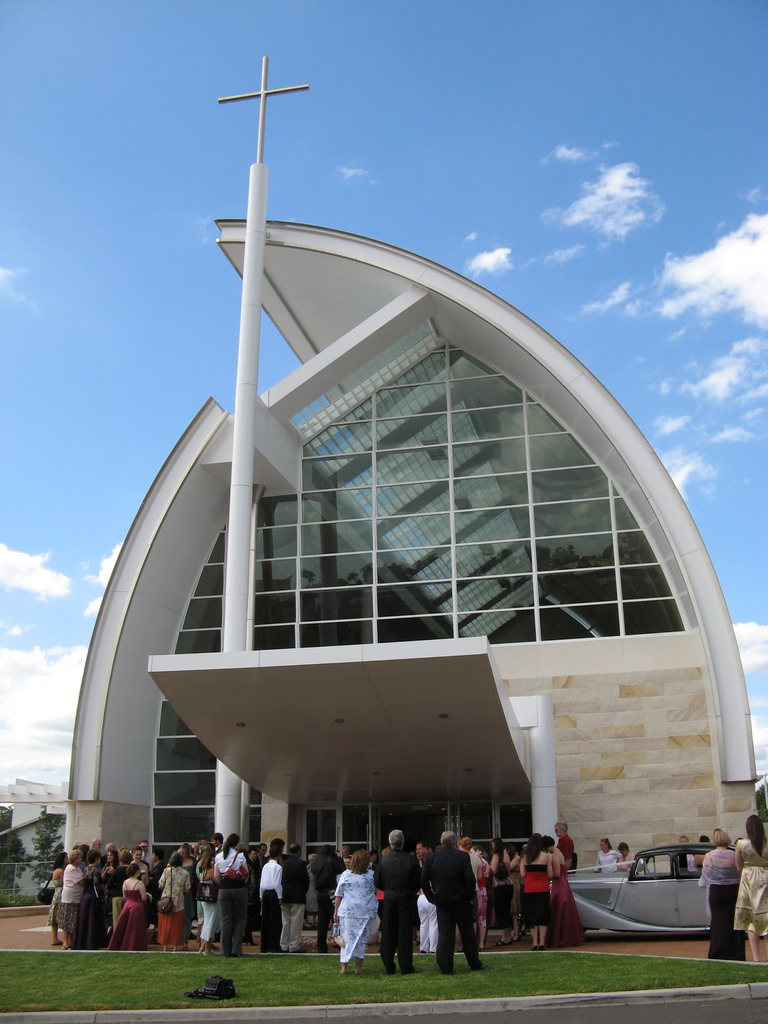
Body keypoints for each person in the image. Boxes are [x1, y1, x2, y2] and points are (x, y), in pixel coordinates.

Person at [420, 830, 486, 975]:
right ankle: (474, 962)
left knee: (445, 933)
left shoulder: (431, 858)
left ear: (442, 843)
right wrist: (470, 897)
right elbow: (470, 879)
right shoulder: (462, 856)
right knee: (467, 932)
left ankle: (445, 966)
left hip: (442, 900)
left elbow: (424, 880)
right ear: (454, 843)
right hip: (461, 900)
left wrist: (432, 897)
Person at [374, 829, 421, 975]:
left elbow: (377, 881)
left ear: (390, 843)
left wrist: (388, 889)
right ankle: (405, 965)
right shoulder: (411, 860)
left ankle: (389, 964)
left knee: (388, 931)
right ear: (403, 842)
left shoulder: (383, 861)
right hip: (407, 897)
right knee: (405, 932)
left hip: (389, 896)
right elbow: (417, 880)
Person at [334, 848, 379, 975]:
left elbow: (339, 894)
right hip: (366, 911)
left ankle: (344, 967)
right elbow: (375, 891)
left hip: (348, 912)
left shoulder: (346, 875)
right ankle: (358, 968)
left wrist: (336, 910)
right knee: (361, 939)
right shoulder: (372, 875)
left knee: (346, 939)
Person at [701, 828, 744, 961]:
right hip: (733, 890)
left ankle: (718, 951)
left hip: (717, 891)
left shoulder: (709, 856)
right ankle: (736, 951)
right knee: (734, 920)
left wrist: (717, 879)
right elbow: (739, 871)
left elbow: (706, 874)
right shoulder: (733, 854)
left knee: (718, 922)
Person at [734, 814, 768, 963]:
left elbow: (739, 865)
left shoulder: (741, 844)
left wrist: (745, 875)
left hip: (748, 880)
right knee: (766, 919)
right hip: (765, 878)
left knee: (751, 921)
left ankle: (756, 958)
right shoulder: (767, 843)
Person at [543, 835, 584, 948]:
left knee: (558, 909)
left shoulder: (555, 856)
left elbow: (556, 874)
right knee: (564, 910)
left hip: (559, 885)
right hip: (562, 883)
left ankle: (560, 938)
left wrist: (547, 875)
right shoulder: (559, 853)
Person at [214, 832, 249, 957]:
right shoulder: (239, 856)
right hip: (238, 888)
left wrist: (222, 884)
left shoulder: (219, 857)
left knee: (225, 920)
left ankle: (224, 950)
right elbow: (246, 873)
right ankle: (236, 949)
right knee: (240, 918)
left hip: (224, 888)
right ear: (237, 843)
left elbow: (216, 875)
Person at [520, 833, 553, 950]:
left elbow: (522, 875)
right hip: (543, 888)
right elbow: (550, 874)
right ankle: (542, 942)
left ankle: (534, 942)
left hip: (529, 888)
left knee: (532, 915)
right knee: (543, 914)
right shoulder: (546, 857)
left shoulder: (525, 857)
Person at [108, 862, 151, 951]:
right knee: (136, 927)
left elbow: (124, 897)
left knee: (126, 926)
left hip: (127, 905)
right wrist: (148, 896)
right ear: (136, 872)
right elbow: (143, 897)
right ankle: (135, 944)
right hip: (137, 906)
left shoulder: (125, 882)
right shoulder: (139, 883)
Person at [310, 844, 345, 952]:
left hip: (320, 892)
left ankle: (321, 945)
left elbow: (313, 870)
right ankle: (339, 943)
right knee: (335, 918)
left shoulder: (315, 862)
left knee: (322, 920)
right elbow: (341, 869)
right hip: (330, 892)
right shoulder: (331, 861)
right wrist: (338, 858)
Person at [74, 848, 108, 949]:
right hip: (93, 897)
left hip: (85, 896)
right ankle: (93, 942)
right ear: (97, 859)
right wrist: (103, 876)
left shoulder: (85, 869)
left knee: (85, 919)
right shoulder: (96, 870)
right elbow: (97, 883)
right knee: (93, 920)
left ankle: (83, 942)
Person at [157, 850, 191, 952]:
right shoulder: (185, 873)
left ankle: (165, 947)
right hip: (178, 902)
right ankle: (175, 947)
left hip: (166, 902)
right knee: (177, 926)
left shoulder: (166, 871)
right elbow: (187, 889)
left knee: (165, 925)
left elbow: (160, 885)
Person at [280, 842, 309, 953]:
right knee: (296, 921)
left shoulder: (284, 864)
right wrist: (304, 891)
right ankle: (293, 945)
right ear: (299, 851)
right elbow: (305, 880)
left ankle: (284, 944)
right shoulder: (301, 864)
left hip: (286, 894)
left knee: (286, 921)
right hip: (297, 894)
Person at [490, 837, 517, 945]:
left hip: (499, 885)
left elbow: (492, 871)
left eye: (492, 845)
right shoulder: (506, 854)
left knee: (501, 911)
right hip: (509, 884)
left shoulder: (496, 856)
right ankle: (508, 936)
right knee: (507, 910)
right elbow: (508, 867)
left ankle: (504, 937)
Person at [58, 848, 85, 950]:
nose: (81, 860)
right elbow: (81, 881)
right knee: (68, 921)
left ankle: (71, 941)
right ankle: (66, 942)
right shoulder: (71, 868)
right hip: (70, 899)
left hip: (76, 898)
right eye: (80, 858)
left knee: (73, 922)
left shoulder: (77, 869)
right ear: (74, 859)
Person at [259, 840, 283, 953]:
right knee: (275, 920)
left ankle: (264, 945)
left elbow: (262, 882)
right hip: (273, 893)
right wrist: (280, 896)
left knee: (265, 920)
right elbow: (277, 883)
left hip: (265, 893)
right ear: (279, 856)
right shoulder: (278, 868)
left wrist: (260, 894)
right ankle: (274, 944)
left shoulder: (265, 866)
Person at [196, 843, 220, 956]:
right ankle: (206, 949)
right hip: (212, 900)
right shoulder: (210, 871)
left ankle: (203, 947)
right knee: (210, 922)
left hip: (204, 900)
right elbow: (218, 882)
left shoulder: (202, 871)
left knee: (207, 921)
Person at [179, 843, 197, 950]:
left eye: (183, 853)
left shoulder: (191, 863)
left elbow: (193, 879)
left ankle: (185, 941)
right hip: (177, 894)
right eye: (179, 853)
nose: (181, 855)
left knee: (186, 918)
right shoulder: (174, 864)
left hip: (187, 893)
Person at [48, 851, 67, 946]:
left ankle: (54, 937)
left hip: (56, 894)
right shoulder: (60, 871)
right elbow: (65, 882)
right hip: (60, 894)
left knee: (54, 916)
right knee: (61, 915)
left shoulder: (55, 870)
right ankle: (63, 937)